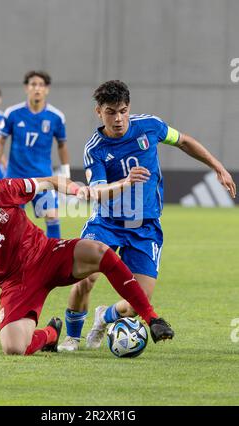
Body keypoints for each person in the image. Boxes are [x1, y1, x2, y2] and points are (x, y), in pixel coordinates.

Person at [58, 79, 236, 352]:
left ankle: (104, 317)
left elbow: (184, 141)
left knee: (134, 304)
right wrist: (126, 183)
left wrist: (217, 166)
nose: (118, 119)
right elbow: (97, 193)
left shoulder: (150, 126)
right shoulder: (96, 148)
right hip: (107, 222)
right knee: (85, 278)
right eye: (110, 112)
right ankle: (72, 337)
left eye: (123, 110)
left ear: (129, 108)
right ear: (99, 112)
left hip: (145, 227)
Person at [0, 162, 174, 356]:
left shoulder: (0, 190)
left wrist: (76, 190)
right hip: (17, 284)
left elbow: (52, 181)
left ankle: (152, 318)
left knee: (100, 251)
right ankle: (51, 334)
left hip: (47, 253)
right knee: (13, 347)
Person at [0, 70, 70, 239]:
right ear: (27, 88)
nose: (37, 88)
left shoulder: (56, 116)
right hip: (15, 179)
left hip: (43, 178)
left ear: (47, 89)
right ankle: (11, 261)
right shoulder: (12, 113)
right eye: (33, 84)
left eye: (41, 85)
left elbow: (62, 144)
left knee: (52, 216)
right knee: (11, 223)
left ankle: (55, 257)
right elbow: (0, 142)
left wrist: (66, 172)